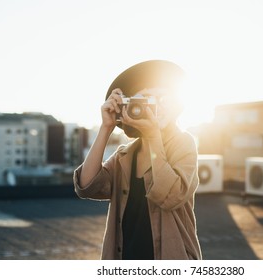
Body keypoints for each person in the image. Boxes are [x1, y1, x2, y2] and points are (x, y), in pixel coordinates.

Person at [73, 60, 202, 260]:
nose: (156, 107)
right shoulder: (125, 155)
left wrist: (153, 136)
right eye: (147, 100)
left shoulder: (183, 143)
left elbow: (172, 197)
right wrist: (106, 127)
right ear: (131, 106)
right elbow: (86, 186)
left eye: (163, 99)